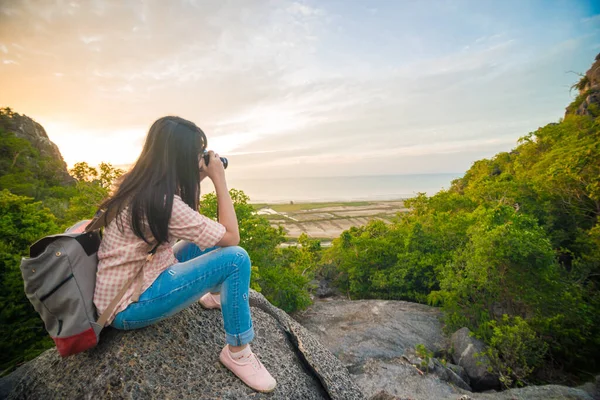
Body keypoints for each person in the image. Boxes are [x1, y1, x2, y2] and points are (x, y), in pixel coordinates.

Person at [92, 116, 276, 393]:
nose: (200, 158)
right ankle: (237, 352)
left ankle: (217, 294)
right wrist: (219, 179)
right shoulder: (163, 202)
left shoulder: (142, 185)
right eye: (196, 153)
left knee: (213, 243)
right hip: (127, 306)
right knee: (236, 258)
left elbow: (201, 228)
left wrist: (196, 178)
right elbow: (231, 236)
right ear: (179, 156)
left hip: (135, 277)